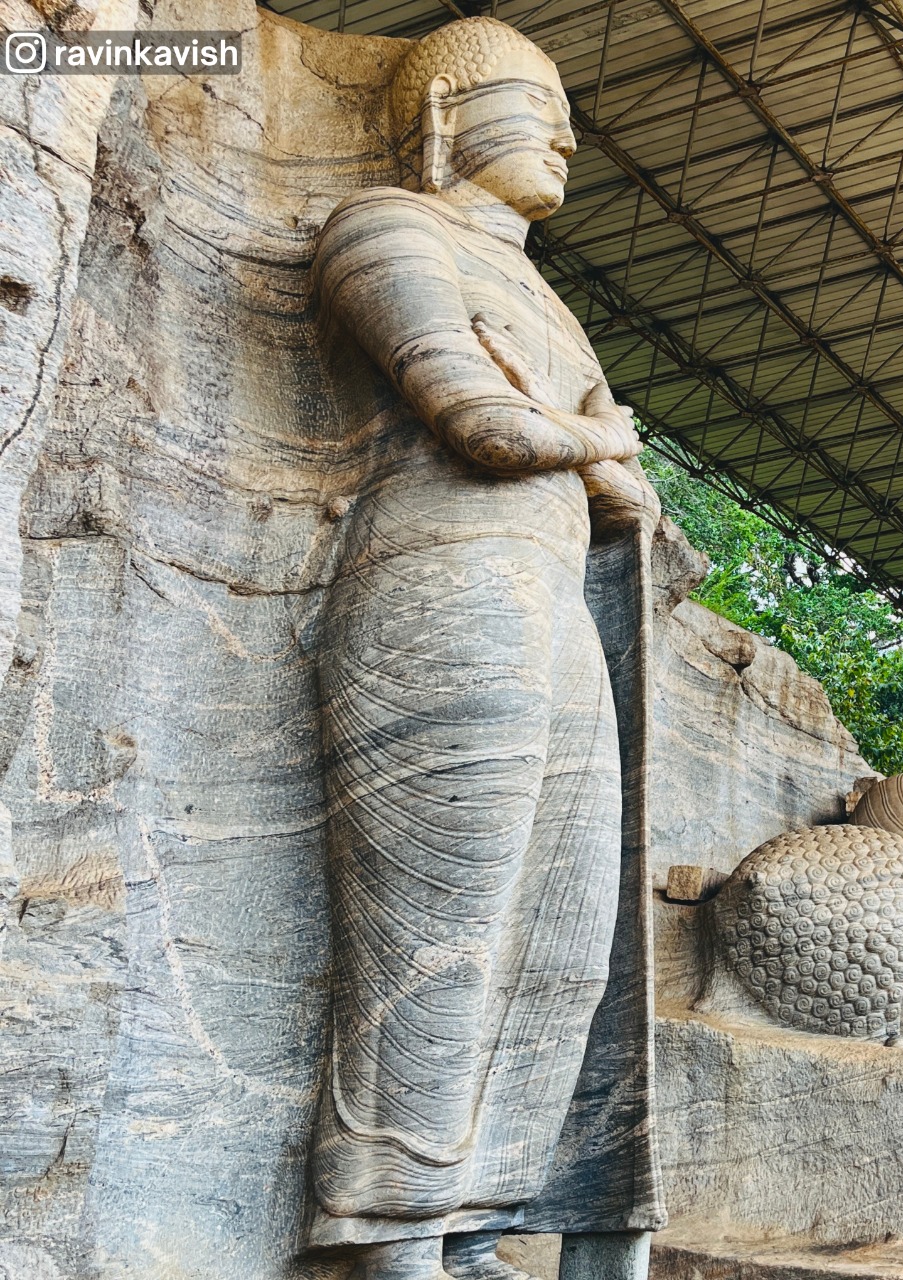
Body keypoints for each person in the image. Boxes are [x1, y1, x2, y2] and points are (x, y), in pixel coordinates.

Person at [309, 19, 655, 1280]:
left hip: (555, 605)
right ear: (447, 112)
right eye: (536, 102)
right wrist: (584, 438)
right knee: (434, 931)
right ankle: (385, 1235)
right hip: (438, 587)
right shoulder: (384, 228)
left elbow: (631, 502)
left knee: (561, 939)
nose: (567, 134)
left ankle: (476, 1222)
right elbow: (473, 418)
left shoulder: (552, 304)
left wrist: (578, 440)